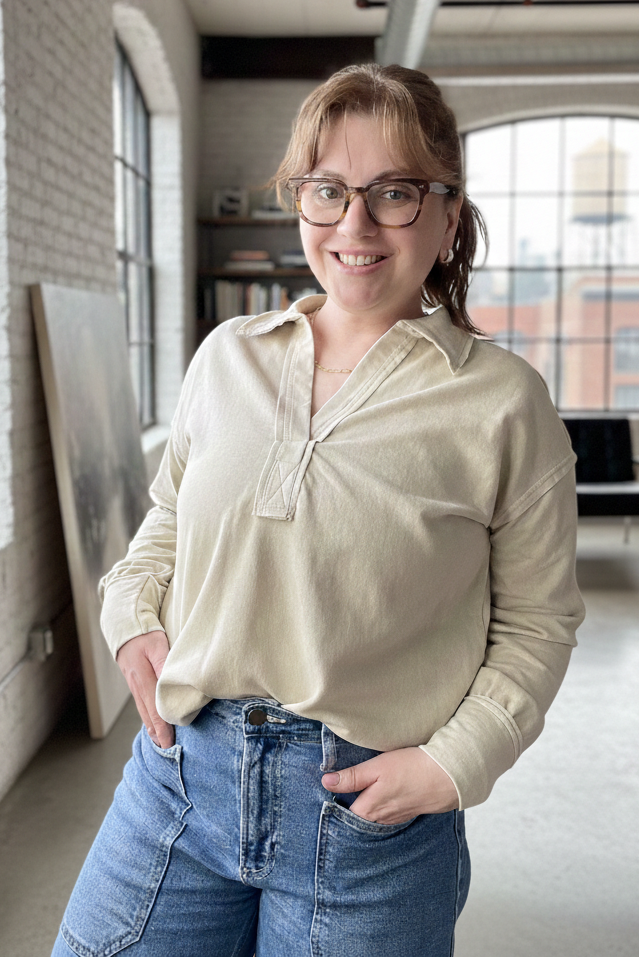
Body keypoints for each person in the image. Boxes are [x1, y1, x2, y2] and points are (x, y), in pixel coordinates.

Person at [52, 63, 585, 958]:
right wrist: (129, 615)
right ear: (300, 201)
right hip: (179, 779)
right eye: (327, 190)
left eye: (395, 193)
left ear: (449, 214)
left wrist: (453, 764)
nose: (355, 224)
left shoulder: (502, 403)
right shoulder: (228, 356)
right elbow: (168, 522)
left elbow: (538, 622)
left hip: (366, 819)